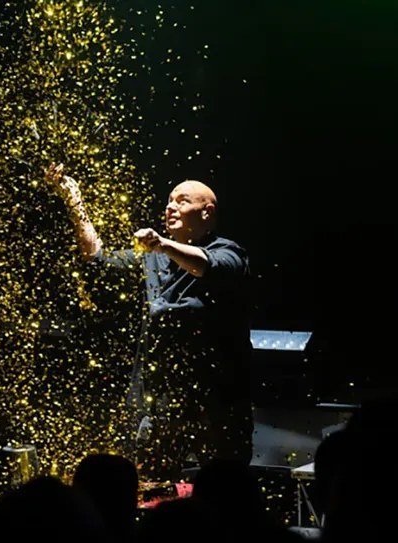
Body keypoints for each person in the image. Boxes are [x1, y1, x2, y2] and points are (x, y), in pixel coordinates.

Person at [45, 163, 253, 480]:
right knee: (154, 488)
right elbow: (98, 261)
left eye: (182, 200)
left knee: (226, 492)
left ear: (207, 212)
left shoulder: (228, 252)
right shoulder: (151, 258)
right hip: (163, 407)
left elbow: (206, 266)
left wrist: (161, 244)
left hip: (218, 407)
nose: (171, 206)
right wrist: (76, 204)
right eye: (169, 200)